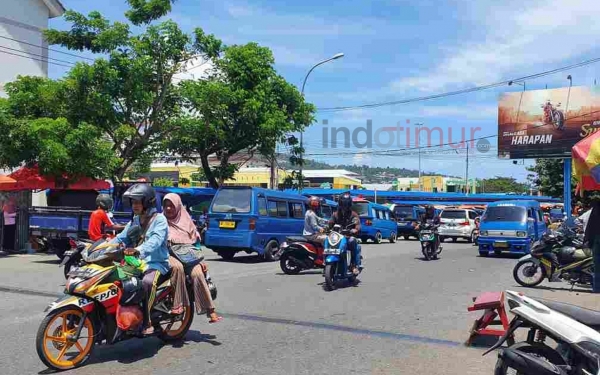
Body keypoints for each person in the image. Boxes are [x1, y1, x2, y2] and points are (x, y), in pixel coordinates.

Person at [113, 183, 170, 335]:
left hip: (156, 263)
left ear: (147, 202)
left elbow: (155, 241)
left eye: (138, 202)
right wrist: (101, 247)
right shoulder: (136, 220)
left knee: (147, 282)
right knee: (114, 276)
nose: (134, 205)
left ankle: (147, 321)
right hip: (137, 263)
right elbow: (121, 237)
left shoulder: (160, 220)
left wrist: (137, 250)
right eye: (133, 202)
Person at [163, 193, 222, 323]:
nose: (168, 209)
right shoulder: (160, 221)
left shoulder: (187, 221)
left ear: (178, 206)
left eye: (171, 206)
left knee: (198, 273)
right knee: (177, 268)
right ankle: (177, 304)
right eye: (165, 206)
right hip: (169, 254)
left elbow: (195, 243)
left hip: (189, 256)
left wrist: (200, 261)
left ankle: (210, 310)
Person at [328, 192, 362, 275]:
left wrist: (355, 230)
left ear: (349, 204)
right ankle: (326, 263)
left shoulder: (353, 215)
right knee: (327, 241)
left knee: (352, 241)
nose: (345, 206)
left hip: (348, 237)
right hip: (337, 237)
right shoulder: (335, 214)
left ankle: (353, 265)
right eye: (343, 204)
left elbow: (357, 225)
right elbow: (330, 224)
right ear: (340, 203)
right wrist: (326, 228)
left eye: (346, 204)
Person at [583, 199, 600, 293]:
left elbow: (590, 226)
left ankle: (597, 288)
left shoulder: (596, 208)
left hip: (597, 239)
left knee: (597, 266)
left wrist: (587, 240)